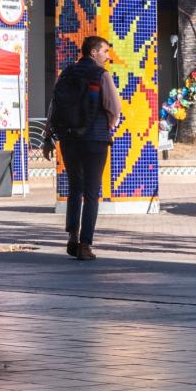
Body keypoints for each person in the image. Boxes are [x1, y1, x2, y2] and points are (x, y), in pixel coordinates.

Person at [43, 36, 121, 261]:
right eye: (105, 51)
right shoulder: (101, 74)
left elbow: (54, 105)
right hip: (95, 139)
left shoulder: (67, 73)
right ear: (94, 52)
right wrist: (110, 124)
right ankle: (85, 245)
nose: (108, 56)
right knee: (92, 192)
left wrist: (48, 136)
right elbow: (114, 107)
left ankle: (72, 236)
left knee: (75, 188)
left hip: (69, 139)